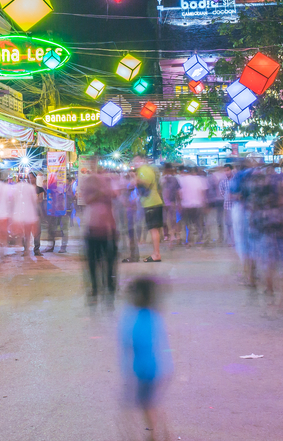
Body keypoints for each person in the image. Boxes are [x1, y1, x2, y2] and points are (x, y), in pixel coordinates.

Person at [119, 277, 170, 441]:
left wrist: (132, 374)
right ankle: (163, 433)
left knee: (147, 405)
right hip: (160, 368)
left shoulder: (137, 318)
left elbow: (134, 345)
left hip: (147, 371)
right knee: (152, 403)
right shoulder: (152, 313)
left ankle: (154, 435)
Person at [79, 162, 117, 303]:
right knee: (93, 262)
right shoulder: (89, 183)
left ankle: (109, 286)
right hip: (92, 228)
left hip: (108, 228)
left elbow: (115, 197)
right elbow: (87, 200)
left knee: (109, 261)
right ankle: (95, 288)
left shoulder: (108, 182)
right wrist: (99, 192)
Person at [135, 158, 164, 263]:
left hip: (150, 203)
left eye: (136, 160)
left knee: (153, 230)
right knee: (155, 229)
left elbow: (146, 184)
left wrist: (137, 180)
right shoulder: (152, 170)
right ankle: (156, 252)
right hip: (156, 202)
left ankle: (156, 254)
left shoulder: (143, 170)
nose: (135, 162)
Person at [176, 167, 206, 246]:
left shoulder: (182, 180)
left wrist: (179, 204)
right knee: (198, 223)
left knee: (187, 224)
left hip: (186, 205)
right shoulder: (198, 179)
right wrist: (204, 203)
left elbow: (179, 193)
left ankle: (189, 241)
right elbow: (202, 192)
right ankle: (201, 239)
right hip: (197, 204)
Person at [12, 175, 40, 257]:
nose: (30, 179)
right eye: (29, 178)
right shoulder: (26, 188)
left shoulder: (35, 188)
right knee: (27, 233)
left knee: (35, 233)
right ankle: (26, 249)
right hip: (28, 214)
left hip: (32, 214)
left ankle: (35, 249)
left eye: (31, 177)